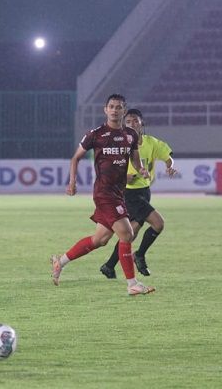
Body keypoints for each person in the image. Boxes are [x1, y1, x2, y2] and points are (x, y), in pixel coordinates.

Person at [50, 94, 156, 296]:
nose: (115, 110)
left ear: (124, 111)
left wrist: (141, 169)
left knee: (100, 239)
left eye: (119, 107)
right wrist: (72, 182)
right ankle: (132, 284)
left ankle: (60, 262)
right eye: (112, 107)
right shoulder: (95, 134)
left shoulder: (130, 135)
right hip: (104, 193)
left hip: (118, 193)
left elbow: (134, 158)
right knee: (127, 234)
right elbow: (76, 158)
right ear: (105, 110)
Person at [100, 108, 177, 278]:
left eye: (135, 120)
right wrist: (124, 177)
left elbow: (168, 156)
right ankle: (139, 255)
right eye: (128, 122)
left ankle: (109, 265)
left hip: (144, 191)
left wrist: (170, 165)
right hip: (128, 193)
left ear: (142, 123)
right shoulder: (120, 145)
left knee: (130, 234)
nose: (132, 124)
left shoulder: (151, 143)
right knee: (158, 224)